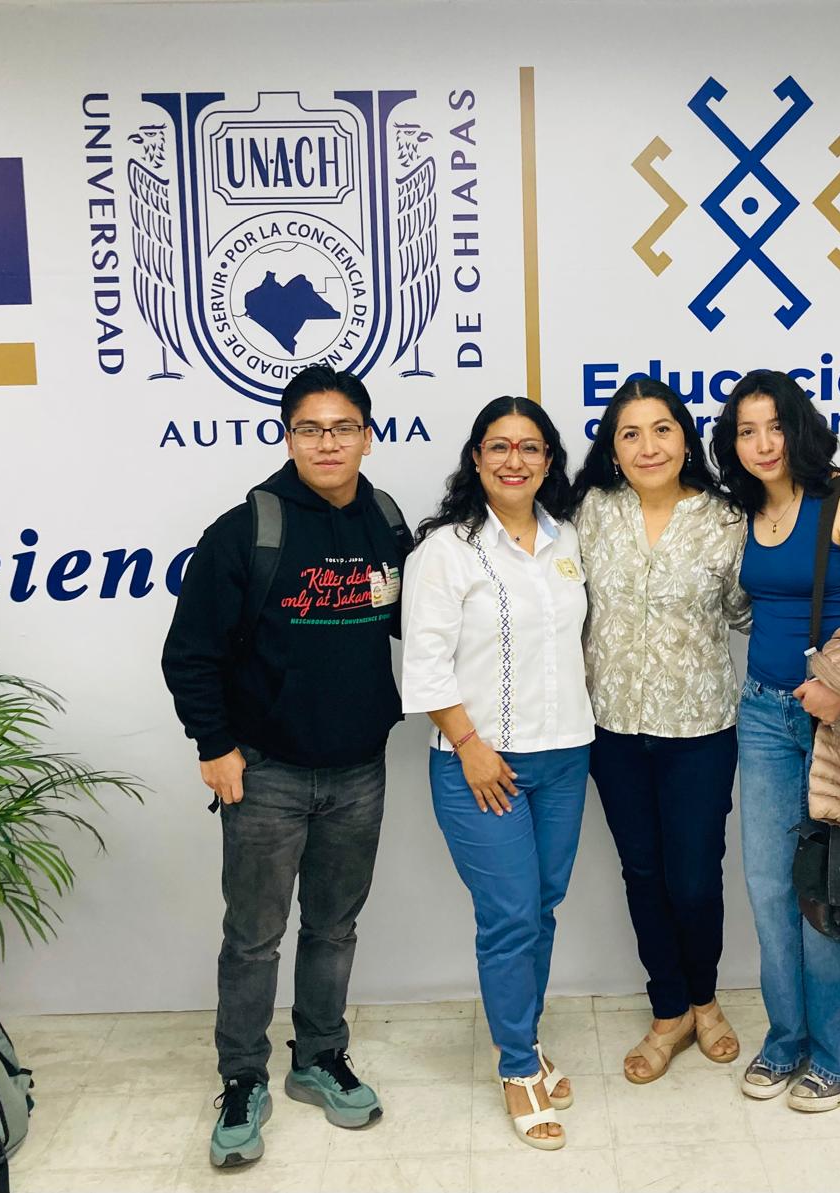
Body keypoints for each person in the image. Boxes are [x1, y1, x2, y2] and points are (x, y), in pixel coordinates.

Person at [161, 364, 411, 1167]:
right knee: (253, 939)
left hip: (359, 768)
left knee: (334, 927)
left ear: (368, 435)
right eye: (310, 428)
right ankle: (242, 1077)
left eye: (343, 428)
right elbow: (189, 653)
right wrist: (214, 746)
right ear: (287, 436)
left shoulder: (386, 522)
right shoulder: (247, 529)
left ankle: (319, 1057)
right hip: (263, 771)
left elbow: (424, 624)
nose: (327, 442)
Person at [709, 368, 840, 1113]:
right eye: (746, 430)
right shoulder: (748, 511)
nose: (763, 443)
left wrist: (838, 687)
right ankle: (787, 1039)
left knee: (837, 886)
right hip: (763, 714)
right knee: (770, 887)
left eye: (775, 426)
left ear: (800, 428)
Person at [401, 397, 593, 1151]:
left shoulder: (568, 538)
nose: (515, 460)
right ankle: (517, 1066)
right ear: (476, 458)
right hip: (480, 763)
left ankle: (527, 1038)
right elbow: (425, 666)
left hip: (566, 755)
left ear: (549, 461)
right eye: (499, 446)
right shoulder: (445, 551)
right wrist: (470, 745)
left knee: (542, 907)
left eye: (530, 447)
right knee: (510, 916)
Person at [571, 378, 750, 1084]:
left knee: (695, 878)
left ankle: (706, 999)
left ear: (686, 438)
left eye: (662, 429)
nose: (648, 446)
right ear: (613, 450)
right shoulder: (590, 512)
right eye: (630, 433)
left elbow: (746, 611)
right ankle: (670, 1010)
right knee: (642, 873)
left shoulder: (727, 519)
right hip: (611, 727)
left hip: (700, 727)